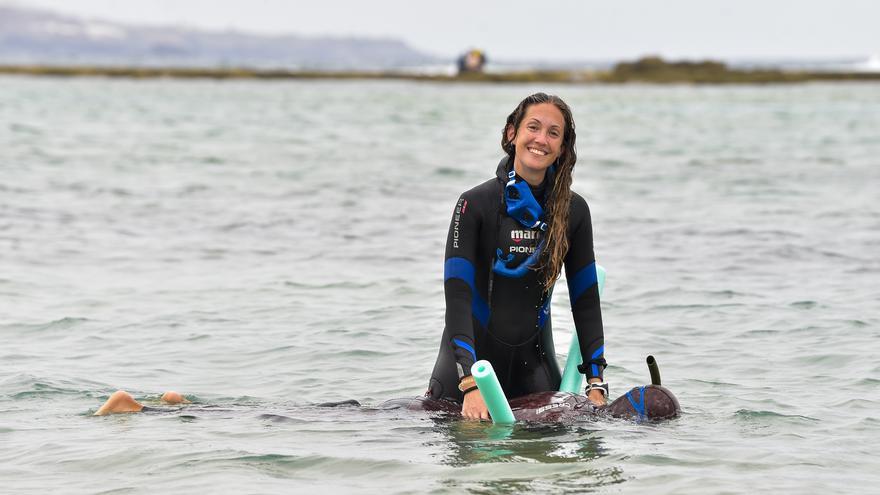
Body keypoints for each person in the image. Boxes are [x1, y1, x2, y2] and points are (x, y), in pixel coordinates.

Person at [427, 93, 607, 420]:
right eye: (533, 127)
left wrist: (596, 383)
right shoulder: (474, 204)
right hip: (464, 385)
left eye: (554, 133)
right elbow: (458, 298)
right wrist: (469, 382)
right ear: (513, 133)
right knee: (471, 467)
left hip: (535, 377)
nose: (542, 139)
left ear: (563, 147)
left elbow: (586, 301)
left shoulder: (573, 211)